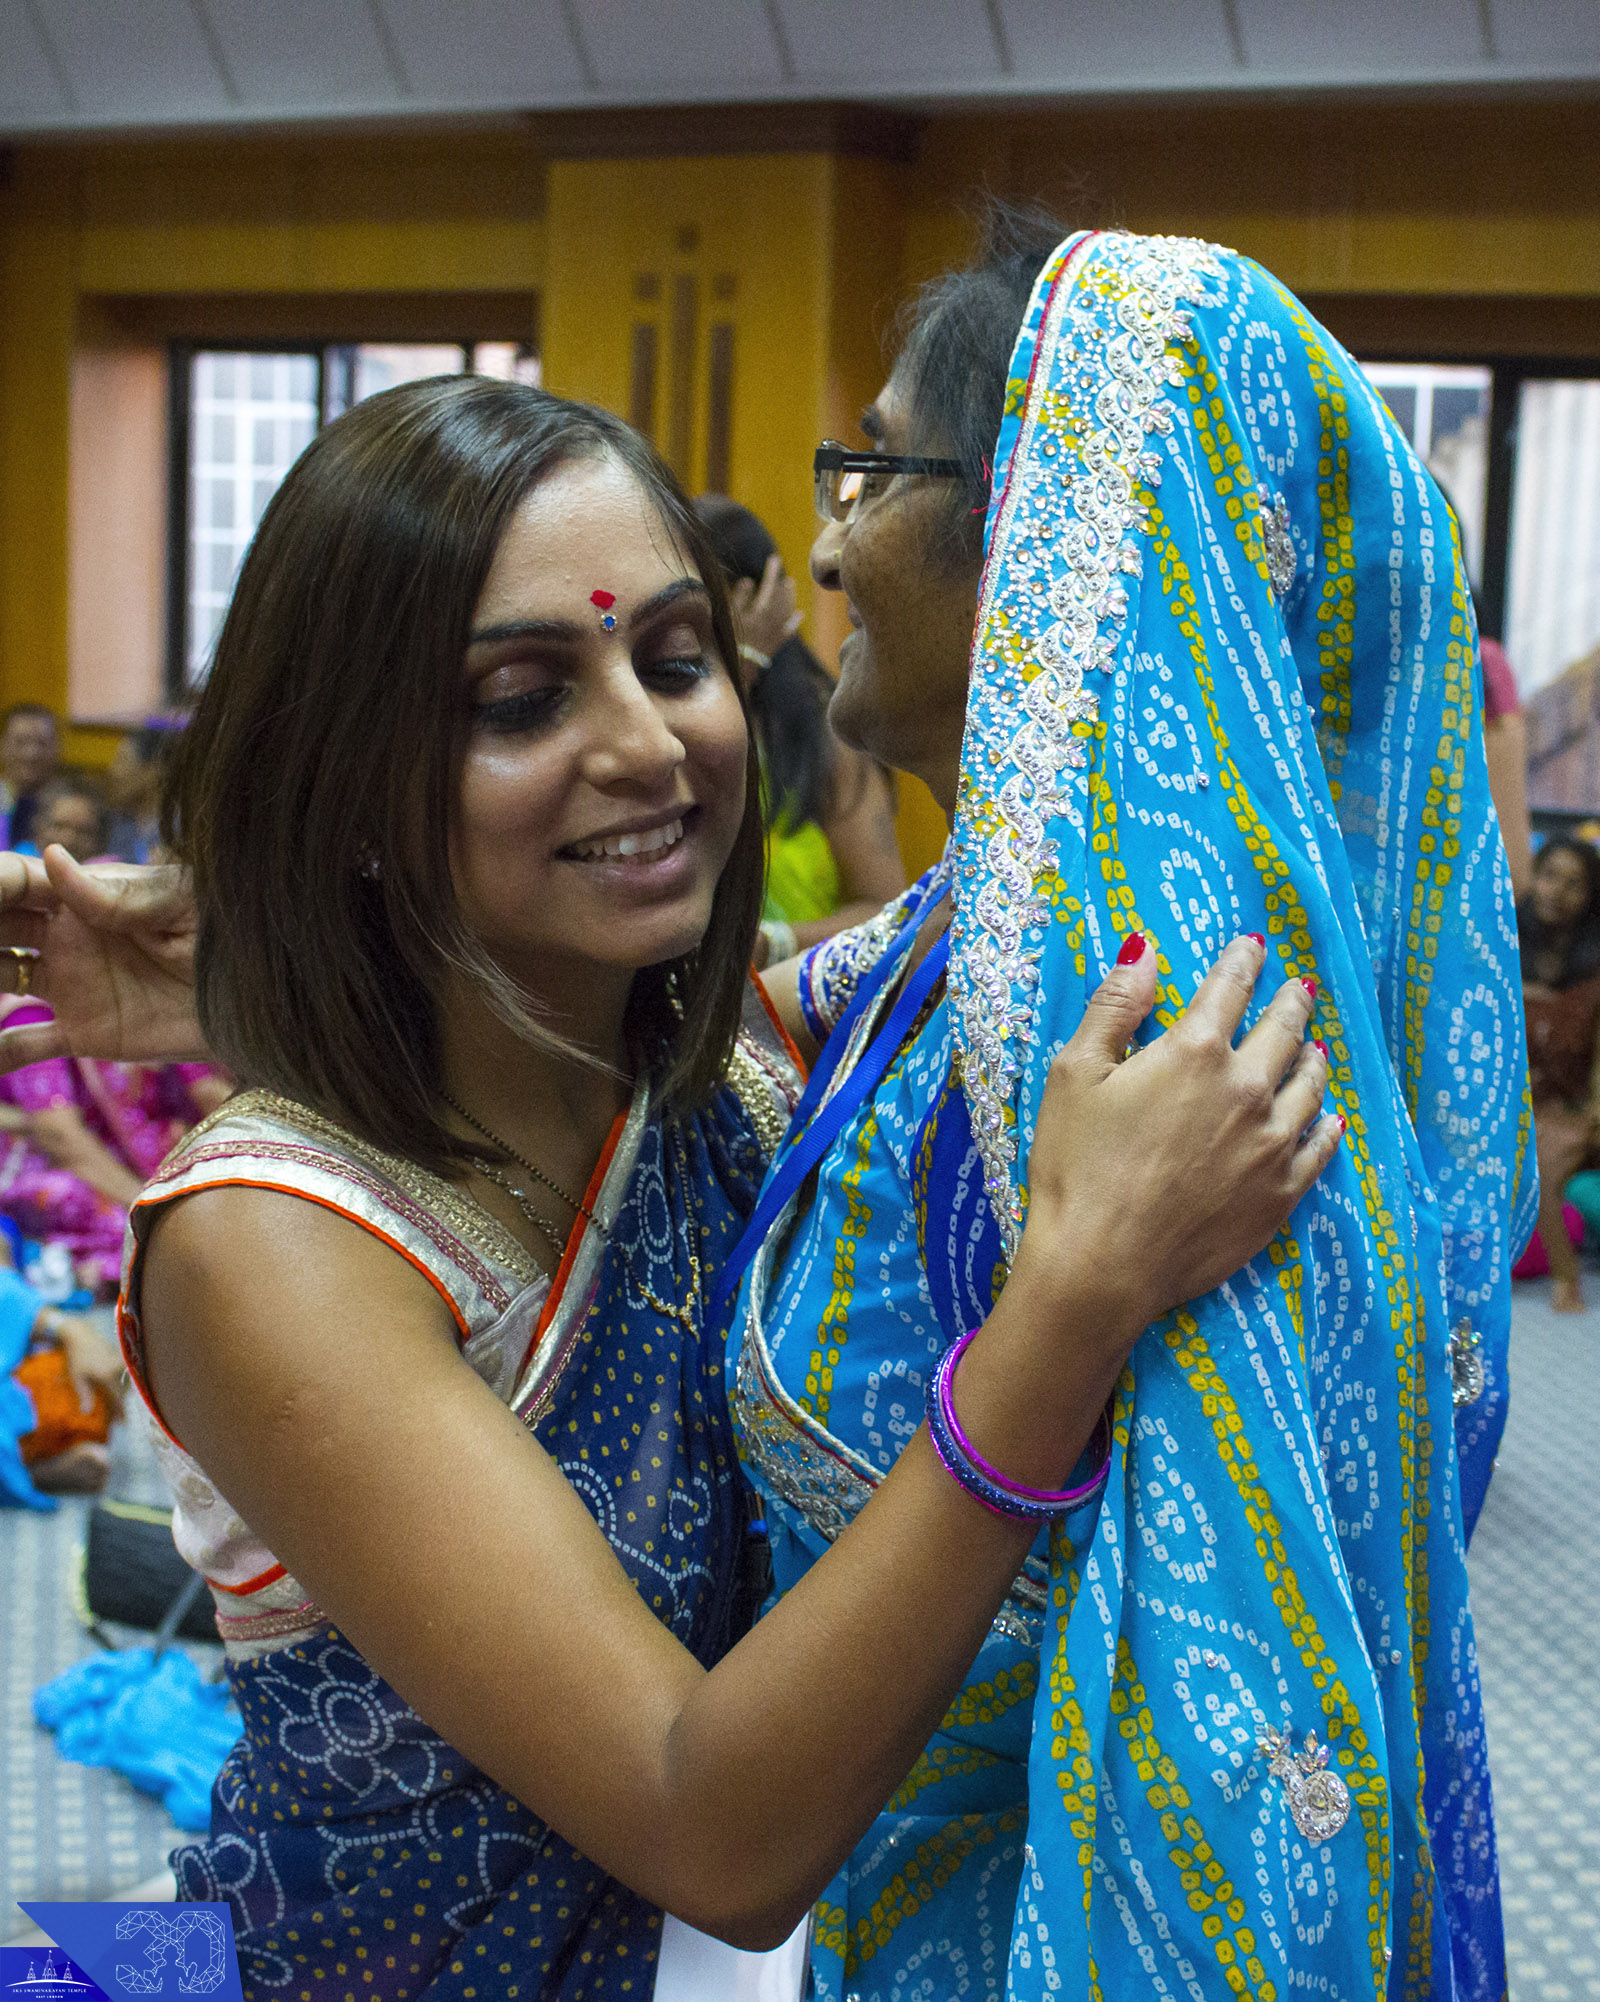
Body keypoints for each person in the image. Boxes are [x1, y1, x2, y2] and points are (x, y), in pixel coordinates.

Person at [0, 375, 1337, 2002]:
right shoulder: (274, 1242)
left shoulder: (746, 1063)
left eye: (677, 658)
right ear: (355, 771)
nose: (647, 745)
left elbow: (1033, 909)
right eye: (519, 700)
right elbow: (708, 1825)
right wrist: (1072, 1305)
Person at [714, 209, 1531, 2001]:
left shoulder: (1188, 1065)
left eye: (871, 469)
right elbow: (709, 1043)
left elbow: (1233, 1707)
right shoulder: (980, 949)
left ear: (1049, 523)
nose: (832, 545)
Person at [694, 495, 907, 961]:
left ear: (755, 596)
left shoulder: (819, 725)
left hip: (800, 1009)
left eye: (698, 603)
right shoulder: (663, 713)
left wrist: (775, 944)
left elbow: (888, 913)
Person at [1517, 834, 1600, 1309]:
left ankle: (1567, 1280)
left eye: (1574, 884)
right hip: (1514, 1100)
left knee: (1543, 1162)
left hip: (1570, 1106)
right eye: (1550, 876)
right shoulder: (1504, 944)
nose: (1556, 891)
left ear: (1589, 896)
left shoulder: (1593, 975)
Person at [105, 722, 180, 864]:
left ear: (153, 772)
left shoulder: (183, 833)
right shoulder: (113, 823)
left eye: (122, 761)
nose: (112, 770)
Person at [0, 703, 60, 848]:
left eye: (41, 743)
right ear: (2, 745)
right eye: (21, 743)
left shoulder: (67, 806)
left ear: (56, 747)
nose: (31, 754)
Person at [21, 774, 113, 866]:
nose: (68, 839)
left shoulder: (113, 875)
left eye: (83, 831)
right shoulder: (18, 862)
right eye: (58, 827)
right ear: (39, 826)